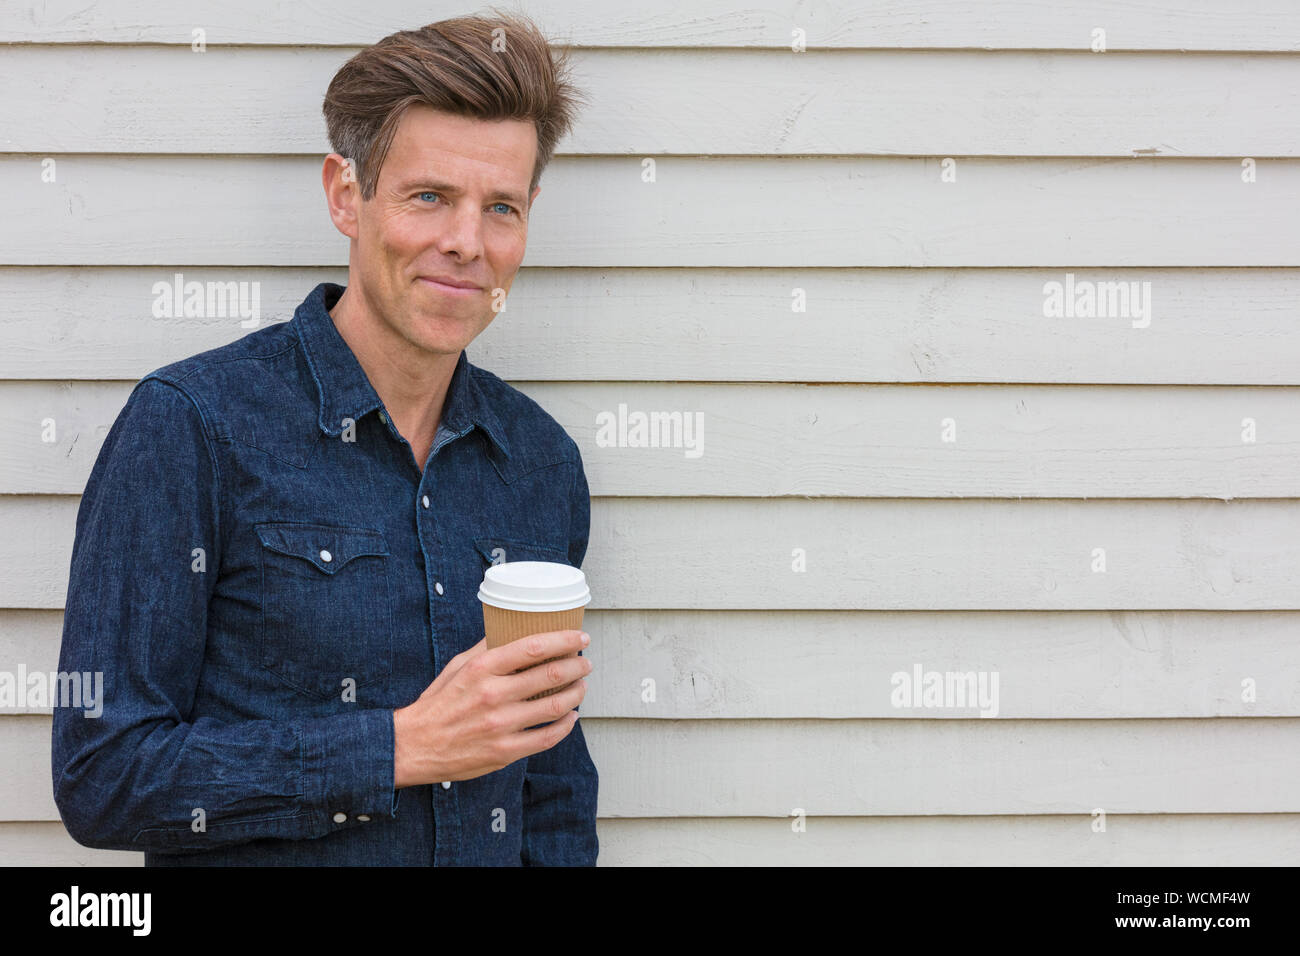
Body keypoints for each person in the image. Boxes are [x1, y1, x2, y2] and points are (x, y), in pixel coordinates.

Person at [51, 12, 598, 866]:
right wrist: (399, 748)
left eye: (501, 207)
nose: (466, 242)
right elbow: (103, 772)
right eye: (429, 197)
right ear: (347, 195)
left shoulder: (538, 461)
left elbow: (553, 785)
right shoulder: (192, 425)